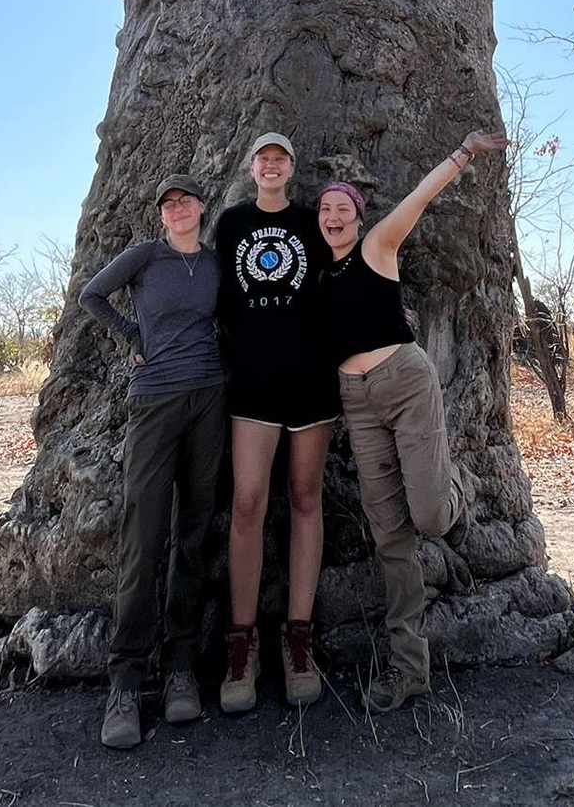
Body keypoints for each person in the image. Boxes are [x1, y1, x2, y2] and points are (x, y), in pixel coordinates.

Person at [316, 129, 510, 713]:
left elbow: (419, 198)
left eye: (342, 208)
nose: (333, 216)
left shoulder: (378, 246)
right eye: (325, 209)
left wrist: (465, 151)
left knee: (427, 515)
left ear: (358, 215)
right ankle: (409, 669)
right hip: (356, 401)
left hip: (404, 380)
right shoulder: (314, 279)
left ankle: (458, 492)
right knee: (389, 537)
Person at [78, 173, 227, 749]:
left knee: (193, 531)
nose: (178, 208)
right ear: (162, 214)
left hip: (210, 399)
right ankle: (126, 679)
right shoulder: (145, 257)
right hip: (154, 401)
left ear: (201, 207)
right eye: (168, 203)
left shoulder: (215, 264)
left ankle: (182, 667)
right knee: (143, 536)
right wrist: (130, 335)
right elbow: (92, 295)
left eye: (186, 199)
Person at [213, 132, 339, 712]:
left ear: (292, 168)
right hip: (253, 384)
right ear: (251, 166)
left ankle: (298, 638)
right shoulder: (232, 224)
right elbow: (215, 299)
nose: (270, 164)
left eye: (281, 157)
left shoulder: (314, 222)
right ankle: (243, 643)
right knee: (247, 502)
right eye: (262, 156)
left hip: (310, 380)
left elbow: (344, 275)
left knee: (307, 497)